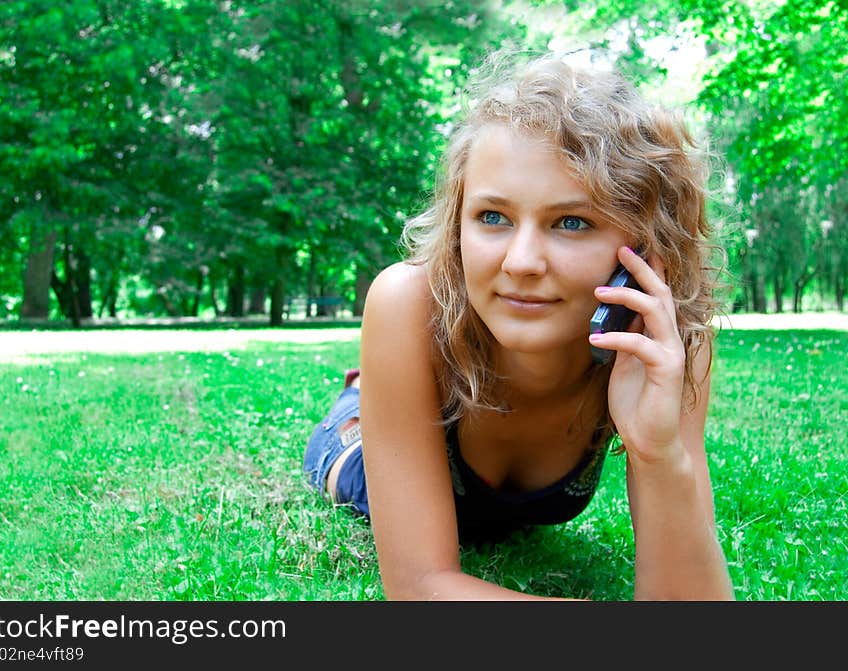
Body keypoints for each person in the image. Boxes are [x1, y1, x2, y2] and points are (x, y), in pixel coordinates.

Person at [303, 51, 734, 600]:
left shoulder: (668, 345)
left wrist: (658, 452)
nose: (521, 262)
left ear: (649, 248)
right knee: (350, 464)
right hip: (358, 443)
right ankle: (370, 390)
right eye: (493, 218)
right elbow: (420, 588)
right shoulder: (408, 302)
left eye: (571, 222)